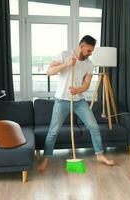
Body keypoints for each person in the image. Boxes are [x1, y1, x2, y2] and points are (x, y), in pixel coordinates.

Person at [37, 35, 115, 172]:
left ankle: (100, 155)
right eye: (89, 50)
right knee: (53, 131)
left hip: (79, 101)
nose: (90, 53)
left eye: (92, 51)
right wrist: (66, 64)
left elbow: (86, 85)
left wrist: (78, 90)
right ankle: (46, 159)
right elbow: (49, 72)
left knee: (94, 127)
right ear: (82, 46)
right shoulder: (64, 54)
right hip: (61, 101)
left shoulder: (89, 64)